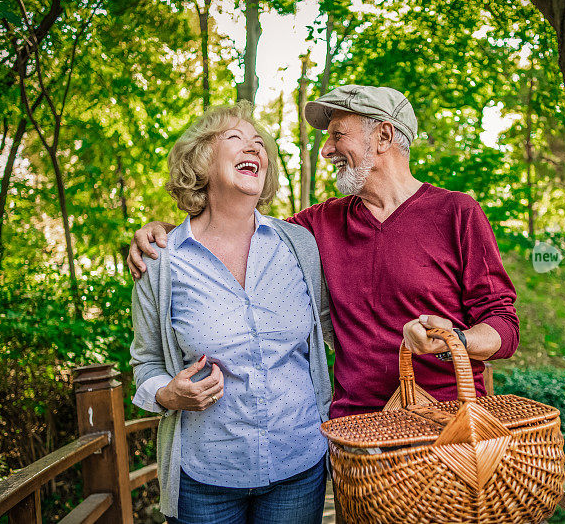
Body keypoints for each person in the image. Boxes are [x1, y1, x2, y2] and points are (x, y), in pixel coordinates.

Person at [128, 85, 519, 421]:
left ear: (383, 136)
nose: (327, 148)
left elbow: (503, 324)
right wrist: (168, 230)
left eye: (337, 135)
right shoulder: (319, 224)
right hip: (356, 434)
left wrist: (456, 342)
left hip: (447, 425)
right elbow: (236, 226)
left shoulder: (455, 212)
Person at [129, 102, 332, 524]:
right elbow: (145, 362)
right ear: (200, 162)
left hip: (300, 464)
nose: (254, 148)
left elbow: (336, 331)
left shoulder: (299, 245)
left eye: (260, 144)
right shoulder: (161, 261)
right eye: (236, 140)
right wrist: (168, 394)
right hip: (206, 479)